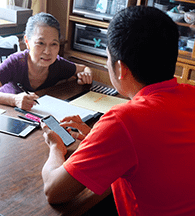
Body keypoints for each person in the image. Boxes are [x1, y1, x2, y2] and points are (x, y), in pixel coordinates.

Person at [41, 6, 195, 216]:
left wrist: (55, 147)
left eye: (107, 58)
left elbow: (53, 190)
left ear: (121, 69)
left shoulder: (123, 121)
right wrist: (98, 139)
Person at [0, 12, 93, 111]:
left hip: (35, 115)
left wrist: (86, 74)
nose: (47, 51)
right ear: (27, 41)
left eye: (54, 44)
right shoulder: (16, 62)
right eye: (40, 43)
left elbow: (84, 68)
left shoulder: (57, 64)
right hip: (5, 115)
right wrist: (14, 99)